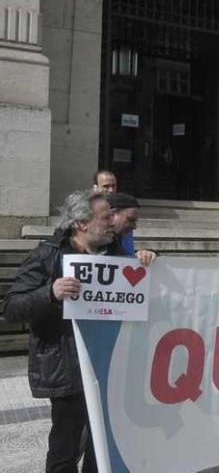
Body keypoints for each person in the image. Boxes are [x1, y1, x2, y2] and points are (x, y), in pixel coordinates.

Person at [4, 190, 155, 473]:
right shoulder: (48, 255)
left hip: (108, 366)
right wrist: (50, 293)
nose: (114, 220)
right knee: (66, 446)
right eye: (106, 216)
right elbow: (12, 307)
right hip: (67, 366)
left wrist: (145, 260)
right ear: (81, 223)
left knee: (102, 447)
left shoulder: (118, 255)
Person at [107, 192, 140, 257]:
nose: (134, 227)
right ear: (112, 214)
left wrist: (148, 253)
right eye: (130, 220)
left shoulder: (115, 241)